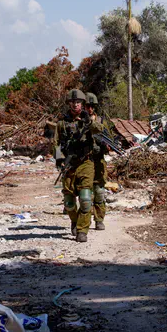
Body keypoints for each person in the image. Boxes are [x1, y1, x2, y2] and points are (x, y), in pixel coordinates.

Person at [54, 89, 101, 242]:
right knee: (68, 202)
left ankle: (82, 230)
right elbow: (55, 144)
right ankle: (74, 220)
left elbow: (100, 130)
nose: (75, 105)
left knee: (86, 199)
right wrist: (59, 160)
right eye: (73, 102)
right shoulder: (62, 123)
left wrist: (89, 122)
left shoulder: (89, 120)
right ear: (68, 104)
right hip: (69, 164)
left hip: (86, 162)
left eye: (79, 102)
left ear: (83, 104)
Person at [84, 92, 107, 231]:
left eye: (92, 106)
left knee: (99, 192)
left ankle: (99, 219)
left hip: (98, 161)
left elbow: (110, 137)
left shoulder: (102, 121)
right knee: (84, 194)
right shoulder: (79, 121)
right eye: (87, 106)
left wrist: (104, 146)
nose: (90, 109)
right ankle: (81, 223)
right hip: (84, 161)